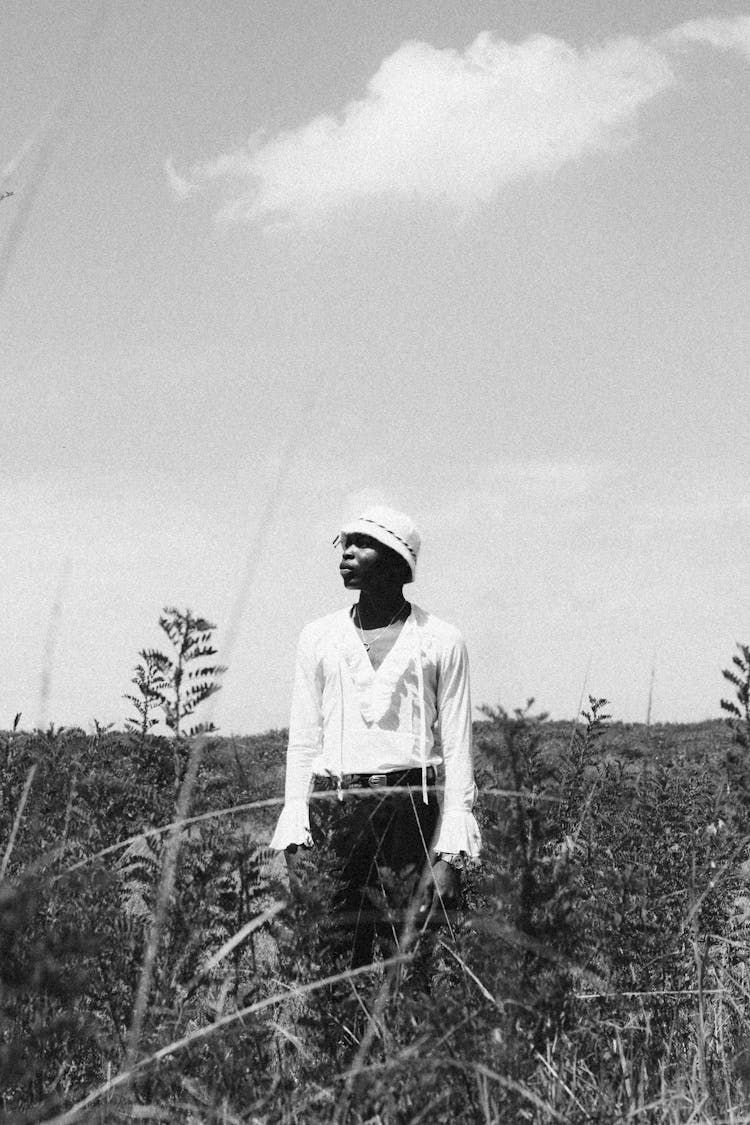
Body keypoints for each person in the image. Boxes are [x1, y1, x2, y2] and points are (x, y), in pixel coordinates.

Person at [270, 505, 481, 968]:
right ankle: (337, 1042)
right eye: (344, 544)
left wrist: (447, 854)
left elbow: (458, 747)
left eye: (361, 545)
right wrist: (298, 830)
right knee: (331, 957)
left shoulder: (441, 639)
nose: (346, 554)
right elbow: (303, 740)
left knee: (409, 961)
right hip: (336, 808)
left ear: (396, 560)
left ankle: (400, 1042)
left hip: (411, 812)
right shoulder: (318, 637)